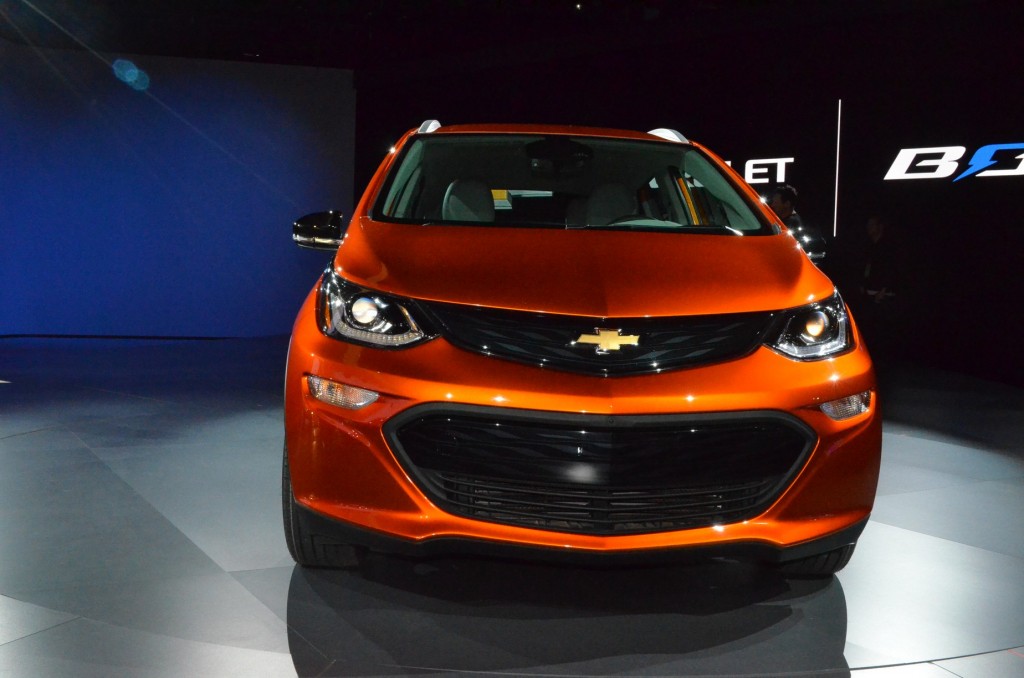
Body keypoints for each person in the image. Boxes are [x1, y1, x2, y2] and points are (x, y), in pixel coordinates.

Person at [768, 184, 827, 262]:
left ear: (787, 204)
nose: (772, 205)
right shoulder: (787, 221)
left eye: (776, 202)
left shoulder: (792, 225)